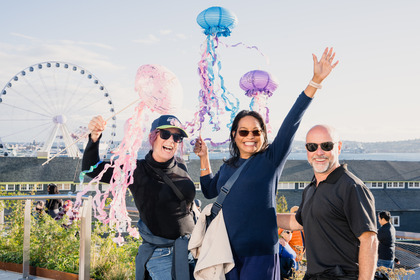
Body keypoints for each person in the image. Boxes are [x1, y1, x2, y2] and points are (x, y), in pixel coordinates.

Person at [194, 47, 338, 279]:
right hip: (226, 253)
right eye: (244, 131)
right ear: (234, 135)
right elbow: (210, 190)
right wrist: (203, 158)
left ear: (263, 135)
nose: (250, 136)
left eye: (256, 131)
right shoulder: (228, 166)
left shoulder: (270, 160)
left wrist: (315, 81)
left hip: (260, 253)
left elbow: (292, 120)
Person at [82, 114, 196, 280]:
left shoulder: (180, 164)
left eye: (177, 137)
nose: (171, 140)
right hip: (163, 255)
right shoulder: (135, 170)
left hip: (192, 250)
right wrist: (94, 138)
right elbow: (91, 169)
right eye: (165, 135)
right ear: (153, 138)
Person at [277, 124, 378, 280]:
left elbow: (369, 240)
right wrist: (264, 215)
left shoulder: (351, 187)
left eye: (326, 146)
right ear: (307, 151)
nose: (319, 152)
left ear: (338, 147)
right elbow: (298, 222)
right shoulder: (311, 188)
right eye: (312, 146)